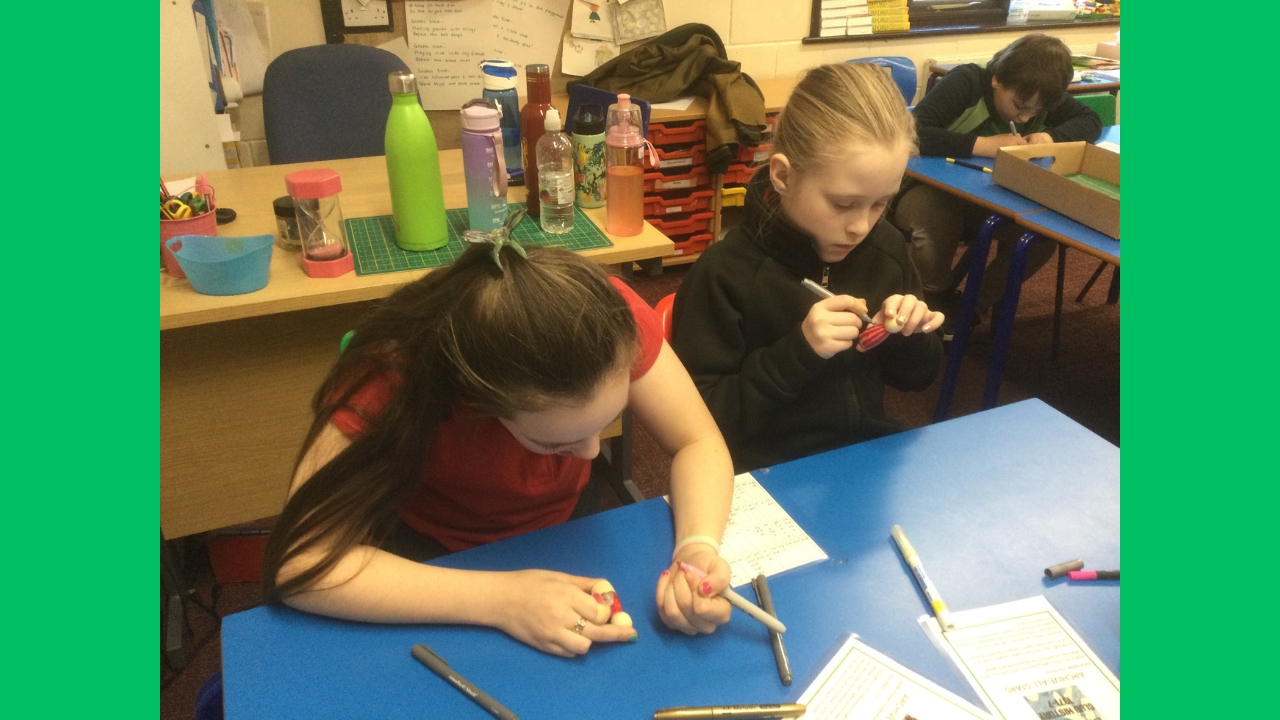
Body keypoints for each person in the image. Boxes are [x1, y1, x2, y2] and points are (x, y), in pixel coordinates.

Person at [262, 242, 735, 658]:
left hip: (563, 531)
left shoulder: (609, 322)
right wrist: (499, 600)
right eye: (556, 442)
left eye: (603, 425)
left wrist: (697, 545)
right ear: (479, 397)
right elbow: (299, 563)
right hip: (431, 552)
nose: (592, 455)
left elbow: (698, 440)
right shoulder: (392, 374)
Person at [671, 63, 944, 474]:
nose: (861, 226)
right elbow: (700, 426)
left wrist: (911, 334)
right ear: (783, 175)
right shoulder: (724, 275)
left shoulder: (885, 248)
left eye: (880, 203)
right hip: (766, 474)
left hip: (864, 463)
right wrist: (799, 353)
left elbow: (917, 378)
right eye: (842, 203)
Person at [893, 33, 1103, 332]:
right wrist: (984, 145)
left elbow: (1090, 120)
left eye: (1035, 111)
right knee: (937, 216)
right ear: (997, 79)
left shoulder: (1037, 93)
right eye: (1019, 106)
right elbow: (914, 132)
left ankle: (970, 308)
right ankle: (934, 295)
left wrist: (1050, 137)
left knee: (1040, 237)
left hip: (990, 197)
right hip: (917, 192)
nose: (1026, 114)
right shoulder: (967, 82)